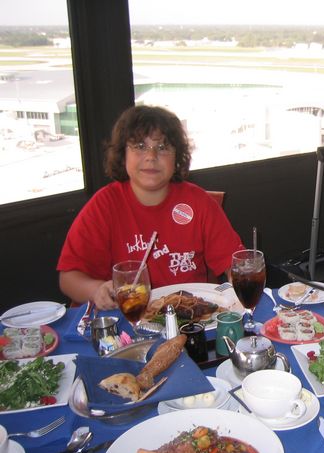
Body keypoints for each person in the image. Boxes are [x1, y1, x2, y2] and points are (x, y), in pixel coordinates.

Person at [57, 105, 244, 310]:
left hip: (190, 318)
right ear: (123, 154)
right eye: (140, 146)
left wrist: (241, 282)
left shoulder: (198, 202)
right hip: (127, 319)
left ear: (177, 157)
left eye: (162, 147)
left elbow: (235, 265)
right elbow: (68, 279)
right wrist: (96, 290)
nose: (151, 156)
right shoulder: (104, 205)